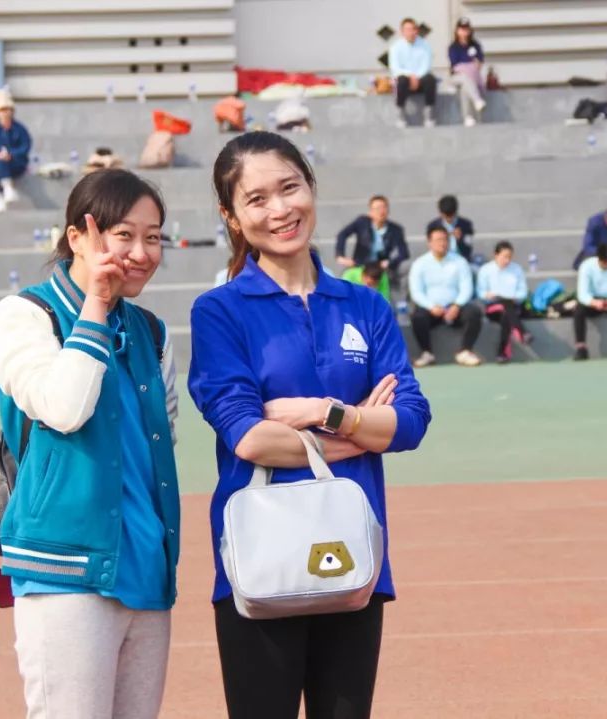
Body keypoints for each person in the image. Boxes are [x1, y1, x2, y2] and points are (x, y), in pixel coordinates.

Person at [188, 131, 431, 719]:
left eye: (289, 188)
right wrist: (360, 429)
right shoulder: (219, 312)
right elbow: (250, 437)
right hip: (259, 560)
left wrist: (325, 413)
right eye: (257, 199)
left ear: (311, 187)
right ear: (232, 216)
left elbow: (410, 421)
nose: (280, 209)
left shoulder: (365, 305)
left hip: (352, 558)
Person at [0, 169, 180, 719]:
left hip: (145, 571)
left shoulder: (152, 332)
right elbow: (63, 407)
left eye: (153, 237)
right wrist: (95, 303)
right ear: (77, 237)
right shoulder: (25, 315)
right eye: (124, 235)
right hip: (64, 571)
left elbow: (161, 443)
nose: (141, 253)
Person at [408, 226, 483, 367]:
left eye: (445, 239)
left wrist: (457, 305)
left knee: (474, 312)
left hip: (454, 308)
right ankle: (427, 353)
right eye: (438, 240)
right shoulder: (420, 264)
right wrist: (431, 306)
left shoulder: (460, 262)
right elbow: (416, 291)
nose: (442, 243)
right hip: (431, 309)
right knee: (418, 316)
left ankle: (465, 351)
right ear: (429, 242)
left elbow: (466, 288)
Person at [476, 241, 530, 363]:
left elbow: (522, 291)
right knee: (505, 306)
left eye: (509, 257)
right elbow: (480, 292)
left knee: (506, 313)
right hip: (493, 306)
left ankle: (503, 353)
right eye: (504, 257)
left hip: (512, 305)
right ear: (496, 255)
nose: (507, 260)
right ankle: (522, 331)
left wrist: (516, 297)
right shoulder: (485, 270)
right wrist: (487, 295)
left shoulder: (517, 269)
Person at [334, 195, 408, 278]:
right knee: (346, 276)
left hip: (381, 267)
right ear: (370, 212)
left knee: (404, 268)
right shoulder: (362, 222)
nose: (381, 211)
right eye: (377, 208)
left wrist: (390, 263)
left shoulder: (395, 229)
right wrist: (340, 256)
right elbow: (342, 235)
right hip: (360, 265)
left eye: (384, 207)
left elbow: (404, 253)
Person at [0, 87, 32, 212]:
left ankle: (3, 193)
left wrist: (11, 154)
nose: (4, 113)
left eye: (7, 110)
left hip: (17, 163)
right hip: (1, 163)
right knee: (0, 162)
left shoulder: (20, 129)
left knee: (2, 163)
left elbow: (25, 146)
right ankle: (6, 190)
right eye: (1, 110)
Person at [388, 17, 437, 128]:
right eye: (407, 29)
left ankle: (429, 114)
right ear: (402, 32)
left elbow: (426, 65)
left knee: (430, 79)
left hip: (420, 80)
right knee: (401, 80)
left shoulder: (425, 45)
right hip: (405, 80)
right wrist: (410, 76)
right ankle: (400, 113)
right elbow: (395, 68)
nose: (411, 32)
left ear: (417, 30)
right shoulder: (395, 47)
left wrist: (417, 77)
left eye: (413, 29)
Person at [447, 17, 487, 127]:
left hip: (472, 77)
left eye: (466, 29)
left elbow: (479, 62)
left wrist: (472, 66)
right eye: (462, 29)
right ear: (457, 31)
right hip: (457, 78)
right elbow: (455, 66)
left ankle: (467, 117)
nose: (464, 32)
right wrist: (470, 66)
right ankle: (477, 100)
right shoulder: (453, 47)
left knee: (466, 86)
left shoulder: (475, 45)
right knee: (465, 78)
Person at [425, 194, 474, 261]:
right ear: (440, 213)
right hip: (440, 259)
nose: (449, 219)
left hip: (460, 258)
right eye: (446, 216)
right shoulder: (433, 226)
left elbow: (468, 246)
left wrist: (461, 238)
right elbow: (431, 245)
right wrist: (444, 236)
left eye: (451, 216)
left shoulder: (466, 225)